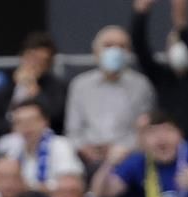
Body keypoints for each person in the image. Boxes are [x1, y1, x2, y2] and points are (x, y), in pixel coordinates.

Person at [67, 26, 156, 172]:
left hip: (128, 157)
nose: (115, 51)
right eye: (108, 45)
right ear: (96, 52)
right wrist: (85, 149)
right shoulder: (80, 85)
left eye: (122, 46)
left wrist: (123, 149)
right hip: (87, 159)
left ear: (128, 53)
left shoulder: (141, 85)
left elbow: (144, 129)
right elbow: (73, 131)